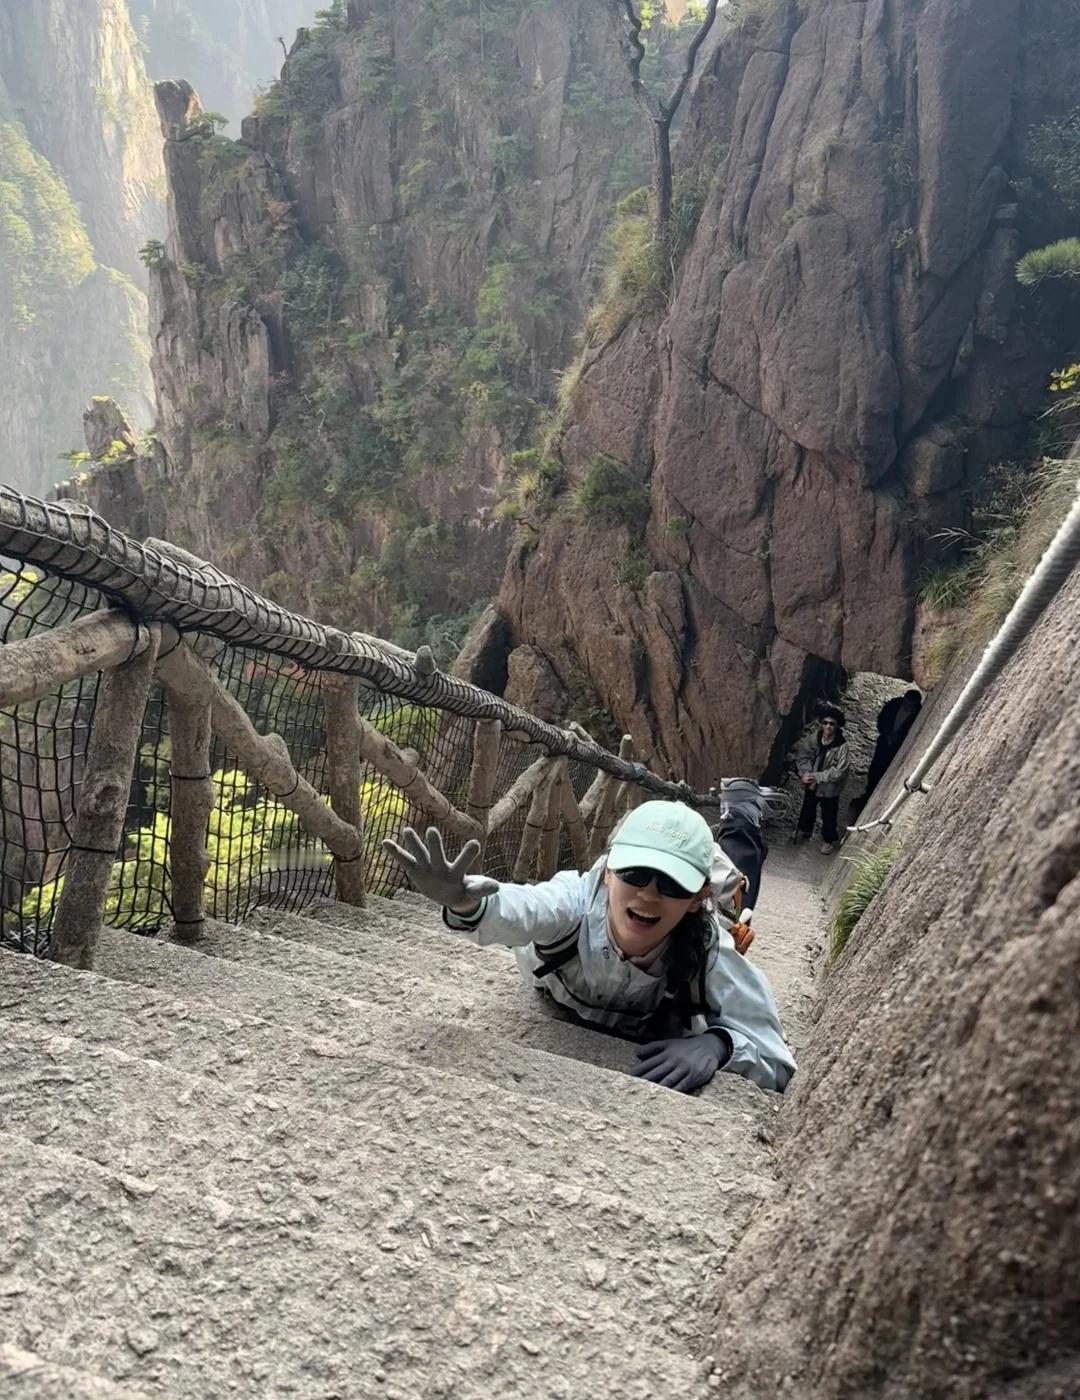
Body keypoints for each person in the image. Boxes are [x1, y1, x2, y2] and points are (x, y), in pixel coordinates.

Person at [383, 800, 795, 1095]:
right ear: (608, 873)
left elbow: (776, 1062)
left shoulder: (709, 951)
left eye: (673, 884)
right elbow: (526, 906)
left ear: (696, 899)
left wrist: (720, 1045)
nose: (649, 895)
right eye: (636, 873)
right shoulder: (574, 902)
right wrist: (466, 904)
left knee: (744, 870)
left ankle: (741, 817)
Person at [849, 689, 922, 819]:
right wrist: (886, 733)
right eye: (907, 703)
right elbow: (882, 718)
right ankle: (869, 790)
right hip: (884, 743)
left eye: (911, 705)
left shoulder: (918, 715)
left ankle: (875, 793)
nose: (908, 706)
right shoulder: (894, 704)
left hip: (897, 750)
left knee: (886, 769)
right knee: (875, 766)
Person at [794, 706, 850, 853]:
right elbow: (803, 755)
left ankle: (828, 840)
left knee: (829, 814)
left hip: (830, 788)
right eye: (825, 723)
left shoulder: (842, 746)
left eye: (832, 724)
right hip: (813, 784)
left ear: (837, 726)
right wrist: (805, 773)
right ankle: (805, 829)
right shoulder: (814, 738)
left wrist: (818, 776)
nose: (828, 727)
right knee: (808, 807)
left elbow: (840, 771)